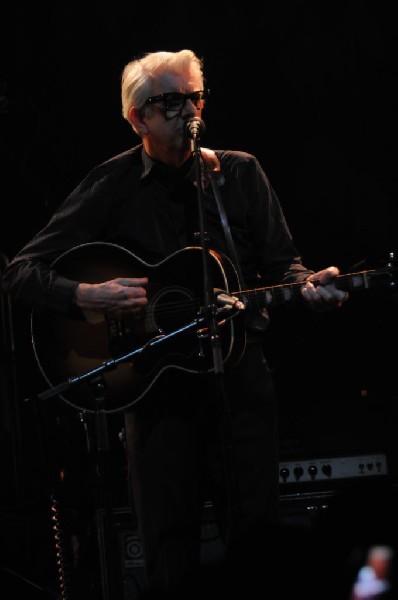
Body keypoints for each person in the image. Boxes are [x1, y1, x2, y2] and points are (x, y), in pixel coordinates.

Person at [1, 49, 349, 598]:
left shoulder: (237, 173)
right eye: (171, 101)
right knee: (171, 559)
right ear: (137, 117)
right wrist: (88, 293)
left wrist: (307, 288)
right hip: (156, 398)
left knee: (258, 556)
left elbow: (287, 266)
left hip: (240, 390)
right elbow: (22, 271)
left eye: (196, 97)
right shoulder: (112, 184)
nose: (189, 110)